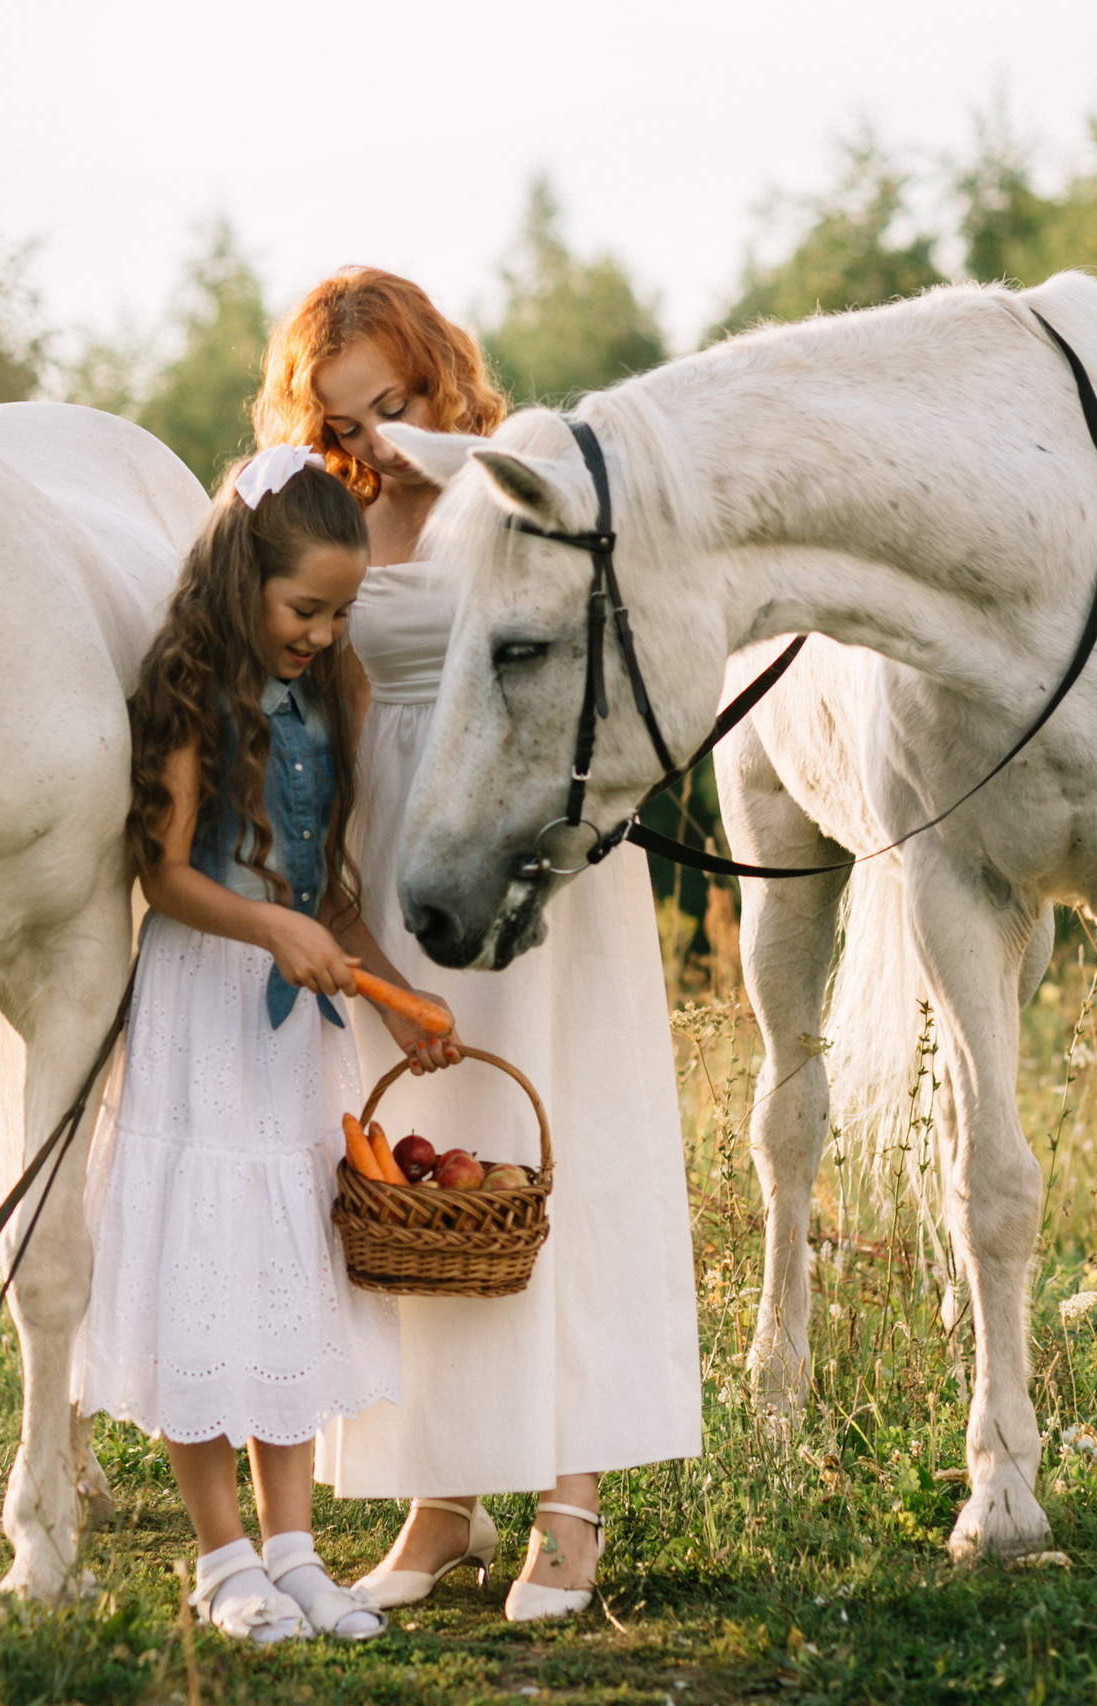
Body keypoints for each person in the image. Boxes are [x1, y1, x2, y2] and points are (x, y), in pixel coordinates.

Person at [254, 270, 702, 1624]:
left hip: (514, 826)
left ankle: (568, 1496)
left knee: (550, 1144)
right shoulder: (318, 511)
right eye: (343, 414)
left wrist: (454, 460)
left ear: (436, 372)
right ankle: (437, 1496)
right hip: (386, 836)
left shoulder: (519, 486)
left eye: (393, 399)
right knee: (413, 1179)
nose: (376, 433)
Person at [73, 446, 458, 1645]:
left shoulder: (327, 695)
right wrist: (272, 928)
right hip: (205, 1003)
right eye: (307, 608)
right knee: (208, 1258)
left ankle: (293, 1548)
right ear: (246, 579)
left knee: (287, 1263)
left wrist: (397, 997)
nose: (325, 630)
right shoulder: (191, 687)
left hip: (293, 1032)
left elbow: (327, 889)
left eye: (341, 611)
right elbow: (167, 874)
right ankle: (221, 1556)